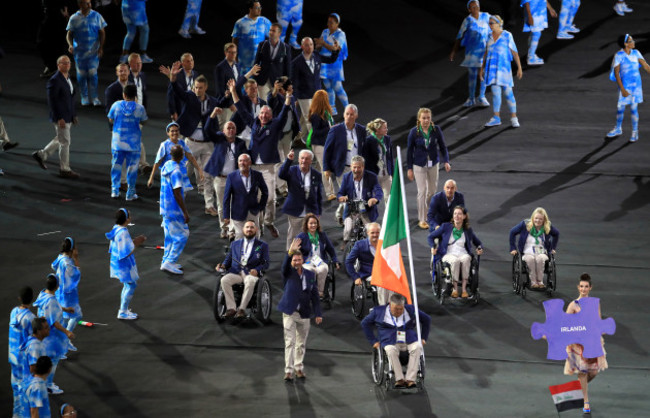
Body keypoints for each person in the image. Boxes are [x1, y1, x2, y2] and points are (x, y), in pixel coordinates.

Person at [230, 78, 291, 238]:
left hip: (268, 168)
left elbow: (284, 112)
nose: (263, 115)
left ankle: (268, 222)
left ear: (270, 116)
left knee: (270, 198)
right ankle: (258, 225)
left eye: (266, 114)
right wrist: (233, 92)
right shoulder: (254, 123)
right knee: (255, 198)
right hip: (253, 168)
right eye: (262, 113)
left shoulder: (275, 125)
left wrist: (288, 98)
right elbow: (242, 110)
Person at [161, 61, 224, 215]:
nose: (197, 90)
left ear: (206, 88)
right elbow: (178, 91)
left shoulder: (213, 102)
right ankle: (174, 201)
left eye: (200, 88)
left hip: (208, 144)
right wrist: (173, 79)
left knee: (208, 176)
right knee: (183, 173)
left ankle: (209, 205)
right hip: (191, 144)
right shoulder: (189, 96)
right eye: (195, 87)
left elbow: (215, 123)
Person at [361, 294, 431, 388]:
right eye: (395, 309)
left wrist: (423, 338)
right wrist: (373, 341)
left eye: (401, 309)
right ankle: (400, 379)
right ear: (390, 305)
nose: (398, 311)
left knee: (418, 347)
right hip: (390, 341)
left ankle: (410, 379)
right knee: (391, 350)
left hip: (409, 339)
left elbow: (427, 319)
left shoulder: (411, 309)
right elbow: (364, 323)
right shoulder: (378, 311)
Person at [563, 273, 608, 414]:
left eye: (586, 287)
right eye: (581, 286)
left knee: (593, 372)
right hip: (578, 344)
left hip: (592, 342)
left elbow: (598, 320)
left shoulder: (595, 303)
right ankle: (586, 401)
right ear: (578, 287)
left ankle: (575, 390)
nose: (583, 289)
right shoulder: (573, 305)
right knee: (582, 371)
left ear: (590, 288)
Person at [32, 55, 80, 179]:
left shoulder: (68, 78)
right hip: (60, 116)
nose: (67, 65)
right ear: (58, 65)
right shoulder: (54, 80)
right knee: (65, 142)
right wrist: (59, 118)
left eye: (69, 62)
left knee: (60, 138)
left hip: (68, 115)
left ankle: (41, 155)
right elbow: (52, 101)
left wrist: (73, 114)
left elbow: (71, 98)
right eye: (64, 63)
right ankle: (65, 169)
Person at [277, 252, 322, 381]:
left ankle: (298, 368)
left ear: (303, 260)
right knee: (290, 342)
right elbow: (284, 266)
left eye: (299, 259)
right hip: (289, 312)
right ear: (292, 262)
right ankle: (288, 371)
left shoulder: (310, 274)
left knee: (301, 343)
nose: (297, 262)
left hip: (304, 313)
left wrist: (318, 313)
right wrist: (289, 253)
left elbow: (314, 296)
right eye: (294, 260)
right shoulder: (288, 273)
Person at [406, 108, 451, 230]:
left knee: (432, 191)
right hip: (419, 165)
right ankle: (422, 219)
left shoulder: (436, 130)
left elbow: (443, 147)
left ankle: (430, 214)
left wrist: (446, 161)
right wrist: (409, 168)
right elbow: (410, 151)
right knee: (422, 191)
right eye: (424, 118)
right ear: (419, 119)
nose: (426, 120)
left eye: (428, 118)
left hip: (433, 164)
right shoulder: (414, 132)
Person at [203, 120, 247, 239]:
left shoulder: (241, 143)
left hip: (235, 180)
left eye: (233, 128)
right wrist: (212, 116)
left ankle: (232, 230)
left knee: (234, 205)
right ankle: (224, 228)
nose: (230, 130)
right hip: (220, 179)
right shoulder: (219, 140)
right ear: (223, 131)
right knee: (222, 205)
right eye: (228, 128)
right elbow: (207, 130)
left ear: (236, 130)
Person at [216, 220, 270, 318]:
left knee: (249, 280)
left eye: (252, 227)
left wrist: (257, 270)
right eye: (247, 227)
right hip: (236, 273)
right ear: (243, 229)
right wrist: (223, 265)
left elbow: (266, 263)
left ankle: (241, 309)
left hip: (251, 273)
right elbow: (228, 259)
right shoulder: (235, 244)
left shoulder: (262, 245)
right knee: (224, 280)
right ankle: (231, 308)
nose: (249, 229)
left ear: (256, 230)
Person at [33, 274, 75, 395]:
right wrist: (67, 331)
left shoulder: (44, 294)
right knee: (53, 360)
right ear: (57, 286)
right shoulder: (51, 301)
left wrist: (65, 309)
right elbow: (54, 322)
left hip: (44, 334)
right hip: (52, 336)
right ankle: (48, 385)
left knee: (48, 359)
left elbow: (54, 306)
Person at [428, 206, 483, 298]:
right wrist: (432, 247)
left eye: (459, 214)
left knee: (466, 259)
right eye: (455, 214)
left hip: (463, 253)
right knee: (455, 261)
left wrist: (479, 248)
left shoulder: (467, 230)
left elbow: (477, 242)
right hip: (448, 253)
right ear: (453, 216)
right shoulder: (446, 226)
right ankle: (455, 289)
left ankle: (464, 289)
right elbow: (430, 237)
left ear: (464, 216)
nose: (457, 216)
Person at [480, 15, 523, 128]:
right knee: (495, 94)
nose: (490, 25)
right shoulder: (488, 36)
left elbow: (514, 52)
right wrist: (482, 69)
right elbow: (485, 53)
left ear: (499, 23)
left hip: (504, 71)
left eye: (492, 23)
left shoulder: (507, 35)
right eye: (489, 23)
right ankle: (496, 117)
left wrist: (519, 67)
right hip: (492, 71)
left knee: (509, 94)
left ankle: (514, 118)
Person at [292, 37, 340, 136]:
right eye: (306, 45)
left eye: (311, 45)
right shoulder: (296, 62)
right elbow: (295, 81)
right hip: (304, 95)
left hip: (317, 94)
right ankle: (315, 140)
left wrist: (335, 51)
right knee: (308, 118)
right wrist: (294, 97)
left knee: (307, 118)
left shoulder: (317, 55)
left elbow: (331, 60)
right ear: (302, 47)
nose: (309, 47)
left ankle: (296, 138)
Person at [323, 104, 365, 218]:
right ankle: (350, 221)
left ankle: (340, 212)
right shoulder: (335, 130)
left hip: (357, 169)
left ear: (356, 115)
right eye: (347, 114)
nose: (349, 117)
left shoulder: (361, 130)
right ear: (343, 115)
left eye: (352, 114)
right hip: (342, 167)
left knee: (354, 193)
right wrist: (326, 168)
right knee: (350, 193)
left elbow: (364, 147)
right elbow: (327, 150)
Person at [606, 34, 650, 143]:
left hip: (636, 86)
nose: (633, 42)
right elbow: (617, 74)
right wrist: (623, 89)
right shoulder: (619, 55)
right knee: (620, 108)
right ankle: (618, 128)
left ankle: (635, 132)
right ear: (626, 44)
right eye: (631, 40)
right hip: (625, 86)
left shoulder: (636, 53)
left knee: (634, 109)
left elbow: (645, 66)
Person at [108, 84, 148, 201]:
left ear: (124, 95)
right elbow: (144, 121)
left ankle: (115, 191)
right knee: (132, 169)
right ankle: (130, 193)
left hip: (118, 143)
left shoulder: (116, 105)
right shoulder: (140, 108)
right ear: (135, 95)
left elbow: (110, 119)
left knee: (116, 166)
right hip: (133, 144)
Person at [105, 208, 147, 320]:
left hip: (117, 262)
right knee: (131, 285)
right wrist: (139, 241)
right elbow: (127, 251)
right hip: (124, 264)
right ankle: (123, 311)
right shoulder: (123, 232)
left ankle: (123, 309)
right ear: (127, 219)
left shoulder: (116, 228)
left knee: (127, 285)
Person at [450, 0, 492, 107]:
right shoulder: (467, 20)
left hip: (484, 51)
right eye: (472, 7)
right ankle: (471, 98)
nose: (475, 9)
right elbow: (459, 35)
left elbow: (496, 25)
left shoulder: (486, 16)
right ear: (469, 9)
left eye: (476, 6)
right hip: (471, 52)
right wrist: (454, 51)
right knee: (472, 75)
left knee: (483, 73)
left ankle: (482, 96)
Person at [279, 149, 323, 249]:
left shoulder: (317, 175)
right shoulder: (292, 170)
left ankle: (307, 256)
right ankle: (290, 255)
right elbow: (281, 174)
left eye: (307, 159)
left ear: (311, 161)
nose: (304, 161)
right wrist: (288, 160)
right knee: (293, 235)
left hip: (310, 211)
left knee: (310, 236)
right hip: (294, 209)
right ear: (298, 159)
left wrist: (319, 212)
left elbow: (319, 195)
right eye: (302, 158)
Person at [66, 0, 107, 106]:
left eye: (90, 2)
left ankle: (94, 97)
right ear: (80, 4)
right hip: (79, 53)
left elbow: (102, 32)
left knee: (93, 75)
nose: (89, 4)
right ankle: (84, 97)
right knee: (82, 75)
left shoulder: (97, 16)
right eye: (86, 3)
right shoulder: (74, 18)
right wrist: (70, 45)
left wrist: (101, 48)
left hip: (93, 52)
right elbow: (69, 34)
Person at [289, 214, 339, 299]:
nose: (313, 225)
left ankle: (320, 292)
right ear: (306, 225)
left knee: (323, 269)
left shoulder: (322, 235)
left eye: (315, 223)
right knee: (310, 270)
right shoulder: (301, 236)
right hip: (307, 262)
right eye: (311, 223)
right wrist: (292, 250)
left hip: (320, 261)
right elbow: (292, 253)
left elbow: (330, 249)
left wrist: (335, 260)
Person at [159, 145, 191, 275]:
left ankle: (166, 260)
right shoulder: (176, 171)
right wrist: (185, 212)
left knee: (169, 236)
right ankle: (170, 261)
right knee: (182, 235)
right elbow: (177, 193)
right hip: (174, 209)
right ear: (182, 156)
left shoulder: (167, 165)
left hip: (165, 207)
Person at [267, 76, 301, 197]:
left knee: (287, 160)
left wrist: (298, 128)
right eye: (288, 84)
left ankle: (284, 184)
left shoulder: (290, 96)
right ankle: (281, 188)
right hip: (277, 134)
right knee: (279, 161)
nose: (291, 86)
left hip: (288, 133)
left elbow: (293, 112)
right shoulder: (274, 96)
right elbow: (270, 101)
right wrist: (275, 90)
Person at [509, 207, 559, 288]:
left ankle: (540, 281)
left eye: (540, 219)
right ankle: (533, 282)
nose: (538, 221)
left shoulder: (547, 226)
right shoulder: (525, 224)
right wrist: (513, 248)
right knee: (530, 260)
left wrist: (553, 248)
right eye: (536, 218)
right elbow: (512, 232)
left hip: (541, 252)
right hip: (527, 252)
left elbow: (556, 234)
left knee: (540, 259)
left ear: (544, 220)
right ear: (533, 218)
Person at [147, 122, 203, 195]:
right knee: (169, 197)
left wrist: (199, 170)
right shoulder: (164, 145)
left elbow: (191, 158)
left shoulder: (182, 143)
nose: (175, 133)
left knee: (181, 196)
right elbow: (158, 162)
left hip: (181, 174)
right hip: (169, 174)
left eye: (176, 131)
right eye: (172, 131)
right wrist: (151, 178)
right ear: (168, 133)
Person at [345, 222, 395, 304]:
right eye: (372, 233)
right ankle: (383, 308)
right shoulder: (359, 245)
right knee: (382, 283)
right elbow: (348, 262)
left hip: (384, 273)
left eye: (377, 232)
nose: (375, 235)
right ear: (368, 233)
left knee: (393, 282)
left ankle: (391, 305)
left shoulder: (385, 244)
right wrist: (355, 277)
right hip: (368, 274)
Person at [338, 156, 383, 244]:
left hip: (366, 210)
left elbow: (378, 190)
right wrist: (341, 197)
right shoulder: (346, 177)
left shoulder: (371, 176)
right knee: (348, 230)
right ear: (351, 166)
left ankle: (374, 249)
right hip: (351, 210)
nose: (356, 170)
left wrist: (375, 199)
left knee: (371, 231)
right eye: (354, 167)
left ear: (363, 166)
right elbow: (340, 193)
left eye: (359, 167)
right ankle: (345, 244)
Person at [223, 154, 268, 239]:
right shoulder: (231, 177)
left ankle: (256, 252)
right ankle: (239, 252)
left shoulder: (257, 175)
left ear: (250, 162)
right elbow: (226, 197)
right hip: (238, 212)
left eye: (245, 161)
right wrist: (226, 215)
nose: (242, 163)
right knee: (240, 236)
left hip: (253, 211)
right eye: (240, 161)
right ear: (237, 163)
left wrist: (261, 207)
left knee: (256, 236)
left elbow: (265, 192)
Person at [9, 286, 35, 418]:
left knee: (15, 387)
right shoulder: (30, 318)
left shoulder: (13, 312)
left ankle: (16, 414)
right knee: (25, 390)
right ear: (32, 299)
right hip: (23, 359)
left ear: (20, 298)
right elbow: (32, 340)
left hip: (13, 356)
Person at [315, 13, 348, 115]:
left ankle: (347, 109)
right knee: (328, 86)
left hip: (335, 64)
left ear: (337, 24)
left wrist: (323, 43)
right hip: (324, 63)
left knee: (337, 87)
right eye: (328, 22)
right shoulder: (325, 32)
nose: (329, 24)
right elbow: (319, 46)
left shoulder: (340, 34)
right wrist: (317, 46)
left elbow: (335, 48)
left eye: (331, 22)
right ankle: (332, 108)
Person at [51, 237, 82, 342]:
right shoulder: (67, 262)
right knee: (77, 315)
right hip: (67, 293)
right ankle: (66, 336)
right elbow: (76, 274)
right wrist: (76, 258)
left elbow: (53, 265)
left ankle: (62, 338)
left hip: (59, 291)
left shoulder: (60, 257)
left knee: (63, 317)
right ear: (71, 249)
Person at [128, 53, 152, 174]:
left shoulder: (143, 76)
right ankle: (142, 164)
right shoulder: (126, 77)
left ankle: (138, 165)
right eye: (136, 63)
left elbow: (144, 94)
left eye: (140, 63)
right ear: (130, 64)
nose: (139, 65)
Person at [254, 22, 292, 101]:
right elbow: (256, 63)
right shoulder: (262, 45)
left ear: (279, 33)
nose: (271, 32)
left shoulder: (285, 47)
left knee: (276, 106)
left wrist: (287, 84)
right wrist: (256, 79)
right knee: (263, 106)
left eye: (273, 31)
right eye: (270, 30)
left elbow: (288, 66)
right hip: (263, 80)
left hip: (278, 82)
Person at [231, 1, 272, 74]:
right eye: (257, 8)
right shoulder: (240, 23)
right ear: (250, 9)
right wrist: (235, 57)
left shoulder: (265, 21)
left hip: (259, 63)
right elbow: (235, 40)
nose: (260, 10)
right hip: (244, 64)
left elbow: (271, 38)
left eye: (260, 7)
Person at [362, 118, 393, 203]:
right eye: (384, 128)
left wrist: (392, 173)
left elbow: (390, 157)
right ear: (377, 129)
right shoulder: (368, 141)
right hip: (374, 175)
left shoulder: (387, 139)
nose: (387, 129)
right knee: (371, 200)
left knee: (389, 198)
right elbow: (365, 160)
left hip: (386, 174)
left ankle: (388, 216)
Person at [36, 0, 70, 78]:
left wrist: (65, 11)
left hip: (56, 17)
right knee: (44, 43)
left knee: (54, 43)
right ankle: (51, 66)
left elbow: (63, 3)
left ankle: (53, 67)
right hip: (48, 15)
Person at [305, 89, 333, 174]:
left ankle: (312, 184)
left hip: (325, 143)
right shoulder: (316, 116)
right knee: (325, 170)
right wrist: (329, 129)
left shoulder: (325, 113)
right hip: (319, 144)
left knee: (318, 169)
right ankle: (328, 188)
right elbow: (316, 132)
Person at [521, 0, 557, 66]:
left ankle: (531, 54)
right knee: (536, 33)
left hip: (540, 13)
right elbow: (526, 2)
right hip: (533, 14)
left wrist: (550, 9)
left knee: (534, 33)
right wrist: (529, 16)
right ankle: (531, 58)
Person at [213, 43, 240, 128]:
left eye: (234, 52)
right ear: (225, 53)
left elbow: (238, 85)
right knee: (223, 129)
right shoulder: (220, 67)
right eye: (230, 52)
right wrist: (230, 104)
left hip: (235, 104)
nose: (233, 55)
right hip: (224, 106)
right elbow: (220, 90)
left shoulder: (237, 65)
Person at [166, 53, 198, 121]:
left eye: (192, 60)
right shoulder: (176, 76)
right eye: (188, 61)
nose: (191, 63)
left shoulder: (196, 74)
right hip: (180, 111)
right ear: (183, 64)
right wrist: (173, 112)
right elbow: (170, 95)